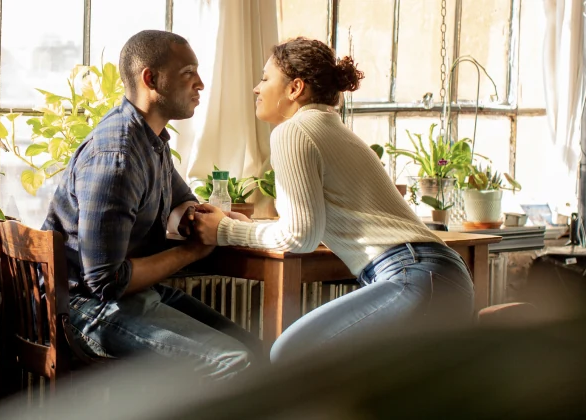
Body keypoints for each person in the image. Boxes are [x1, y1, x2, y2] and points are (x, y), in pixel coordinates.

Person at [192, 37, 475, 363]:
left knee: (290, 354)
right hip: (438, 275)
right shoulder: (332, 130)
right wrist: (246, 225)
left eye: (266, 78)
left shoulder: (293, 131)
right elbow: (312, 222)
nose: (257, 88)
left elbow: (301, 237)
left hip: (414, 276)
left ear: (295, 88)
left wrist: (224, 231)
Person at [42, 30, 259, 380]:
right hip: (87, 309)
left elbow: (180, 196)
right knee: (234, 361)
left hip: (132, 297)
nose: (201, 84)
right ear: (151, 79)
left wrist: (196, 216)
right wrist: (193, 250)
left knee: (259, 352)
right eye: (189, 73)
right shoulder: (118, 157)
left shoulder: (151, 139)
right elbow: (105, 281)